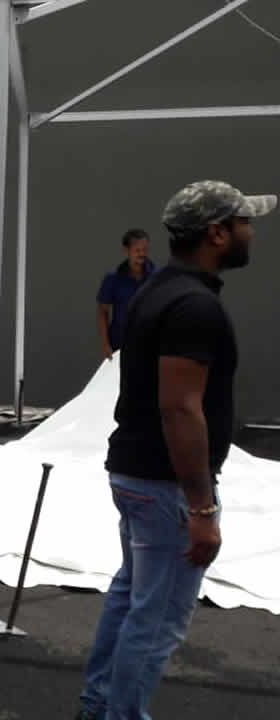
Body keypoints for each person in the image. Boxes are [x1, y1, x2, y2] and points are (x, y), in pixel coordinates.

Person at [76, 181, 272, 720]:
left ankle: (97, 707)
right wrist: (202, 508)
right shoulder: (194, 307)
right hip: (165, 487)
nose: (252, 233)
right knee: (157, 618)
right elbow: (180, 409)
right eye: (244, 223)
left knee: (131, 597)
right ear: (216, 234)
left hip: (136, 475)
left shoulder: (158, 290)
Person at [96, 228, 155, 361]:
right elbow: (102, 311)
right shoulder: (113, 279)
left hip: (151, 345)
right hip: (120, 346)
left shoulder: (157, 277)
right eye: (137, 250)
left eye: (145, 250)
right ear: (126, 250)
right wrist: (105, 344)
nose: (142, 254)